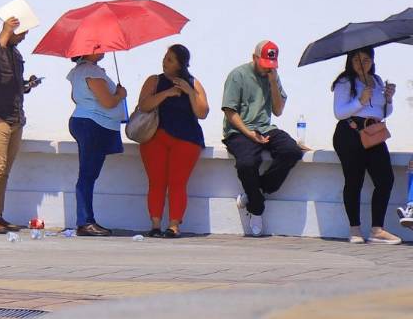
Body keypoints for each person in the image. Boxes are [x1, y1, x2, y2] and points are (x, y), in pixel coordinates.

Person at [222, 40, 302, 237]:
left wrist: (273, 82)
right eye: (264, 63)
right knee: (247, 163)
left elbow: (278, 110)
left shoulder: (273, 76)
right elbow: (229, 111)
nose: (268, 68)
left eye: (271, 65)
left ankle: (254, 192)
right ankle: (256, 209)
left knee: (291, 151)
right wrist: (248, 133)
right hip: (239, 130)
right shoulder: (238, 75)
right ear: (254, 58)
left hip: (265, 127)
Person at [0, 16, 43, 233]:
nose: (24, 36)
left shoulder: (15, 53)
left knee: (4, 170)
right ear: (12, 28)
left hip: (15, 118)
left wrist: (27, 85)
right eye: (22, 32)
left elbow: (10, 84)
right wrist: (5, 33)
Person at [135, 44, 209, 238]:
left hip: (186, 138)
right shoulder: (154, 81)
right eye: (165, 58)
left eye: (170, 60)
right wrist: (166, 94)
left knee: (177, 182)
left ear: (180, 64)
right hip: (155, 137)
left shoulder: (193, 82)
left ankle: (174, 225)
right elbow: (143, 105)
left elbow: (202, 112)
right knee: (156, 181)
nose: (164, 62)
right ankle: (155, 224)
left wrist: (189, 91)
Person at [330, 48, 400, 244]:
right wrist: (359, 101)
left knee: (385, 178)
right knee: (354, 180)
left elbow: (383, 112)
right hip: (350, 132)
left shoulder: (377, 81)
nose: (362, 63)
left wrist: (388, 99)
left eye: (367, 59)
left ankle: (378, 229)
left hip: (373, 132)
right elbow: (339, 112)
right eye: (358, 59)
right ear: (350, 61)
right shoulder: (345, 82)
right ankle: (355, 229)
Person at [67, 52, 126, 236]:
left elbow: (76, 98)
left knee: (88, 173)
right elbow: (108, 102)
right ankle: (85, 221)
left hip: (87, 122)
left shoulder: (80, 70)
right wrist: (119, 94)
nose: (104, 50)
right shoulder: (91, 71)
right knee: (88, 174)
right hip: (93, 124)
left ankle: (85, 220)